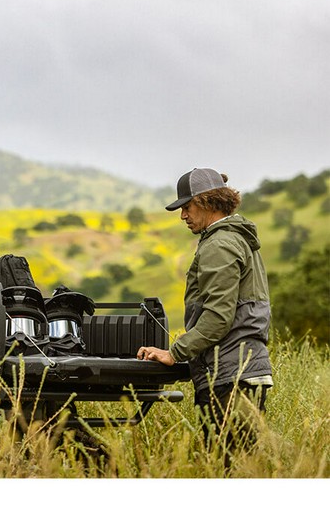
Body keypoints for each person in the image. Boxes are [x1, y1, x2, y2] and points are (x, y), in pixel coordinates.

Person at [137, 168, 272, 455]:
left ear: (207, 201)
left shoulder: (219, 244)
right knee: (241, 467)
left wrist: (174, 352)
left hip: (229, 376)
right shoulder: (237, 239)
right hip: (244, 371)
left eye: (187, 206)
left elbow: (218, 317)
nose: (183, 215)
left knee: (228, 469)